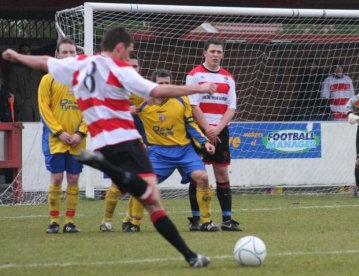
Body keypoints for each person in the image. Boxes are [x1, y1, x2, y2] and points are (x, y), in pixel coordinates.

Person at [2, 26, 217, 268]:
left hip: (103, 144)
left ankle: (191, 256)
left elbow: (45, 62)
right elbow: (158, 90)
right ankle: (190, 255)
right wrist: (198, 88)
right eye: (128, 53)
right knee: (152, 198)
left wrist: (18, 56)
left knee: (148, 197)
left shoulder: (80, 64)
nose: (129, 58)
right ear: (119, 48)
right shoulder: (120, 69)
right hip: (127, 142)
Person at [133, 69, 219, 232]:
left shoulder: (182, 100)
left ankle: (206, 221)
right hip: (158, 153)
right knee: (142, 185)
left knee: (203, 177)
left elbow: (190, 124)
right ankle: (133, 223)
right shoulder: (143, 105)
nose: (164, 86)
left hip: (184, 150)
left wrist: (204, 142)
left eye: (167, 83)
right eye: (160, 83)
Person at [185, 38, 241, 231]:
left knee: (222, 173)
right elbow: (192, 105)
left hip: (221, 130)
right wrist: (207, 128)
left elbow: (231, 108)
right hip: (199, 130)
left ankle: (227, 219)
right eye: (212, 51)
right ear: (204, 53)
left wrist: (217, 129)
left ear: (223, 54)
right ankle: (196, 219)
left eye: (219, 52)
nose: (216, 55)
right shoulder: (194, 75)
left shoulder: (228, 78)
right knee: (198, 175)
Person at [37, 38, 87, 234]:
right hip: (55, 139)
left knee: (73, 178)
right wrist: (59, 132)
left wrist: (80, 133)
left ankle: (69, 221)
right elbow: (44, 109)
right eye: (64, 52)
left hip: (77, 139)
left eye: (71, 53)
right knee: (57, 177)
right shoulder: (48, 80)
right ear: (57, 56)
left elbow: (90, 109)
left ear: (77, 56)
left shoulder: (84, 81)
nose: (68, 56)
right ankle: (53, 220)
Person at [99, 53, 147, 233]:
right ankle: (106, 220)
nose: (133, 69)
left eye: (135, 66)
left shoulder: (142, 89)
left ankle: (130, 220)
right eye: (129, 66)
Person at [7, 43, 41, 121]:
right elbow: (11, 88)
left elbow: (41, 86)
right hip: (22, 109)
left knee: (38, 130)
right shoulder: (15, 70)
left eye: (28, 51)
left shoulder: (36, 69)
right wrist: (21, 102)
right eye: (23, 51)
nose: (26, 53)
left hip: (36, 107)